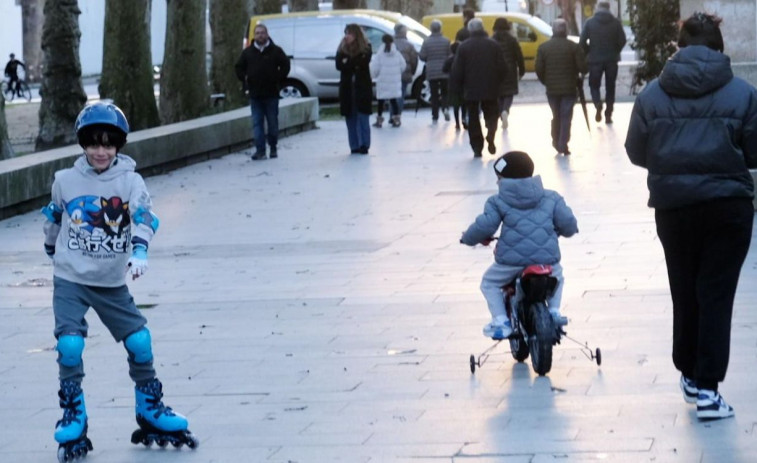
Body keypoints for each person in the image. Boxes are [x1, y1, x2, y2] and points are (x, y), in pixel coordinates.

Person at [40, 102, 198, 458]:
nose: (101, 151)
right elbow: (53, 219)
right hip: (71, 278)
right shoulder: (64, 181)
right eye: (94, 144)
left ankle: (150, 408)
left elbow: (145, 218)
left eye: (108, 144)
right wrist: (51, 249)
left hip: (111, 281)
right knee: (70, 345)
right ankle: (73, 414)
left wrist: (140, 251)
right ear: (83, 143)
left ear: (118, 145)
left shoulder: (130, 181)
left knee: (140, 341)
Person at [625, 12, 757, 421]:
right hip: (727, 208)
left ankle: (688, 371)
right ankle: (708, 389)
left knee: (683, 289)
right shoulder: (744, 94)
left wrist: (670, 164)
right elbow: (754, 153)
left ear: (678, 47)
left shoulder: (652, 96)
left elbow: (635, 151)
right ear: (720, 47)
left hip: (674, 207)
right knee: (715, 295)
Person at [460, 151, 578, 339]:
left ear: (504, 179)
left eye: (498, 178)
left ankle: (500, 320)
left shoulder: (497, 201)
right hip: (547, 260)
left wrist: (467, 238)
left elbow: (485, 226)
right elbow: (569, 224)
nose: (497, 182)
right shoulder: (552, 197)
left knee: (489, 283)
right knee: (557, 277)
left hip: (510, 262)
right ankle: (554, 311)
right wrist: (562, 231)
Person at [449, 18, 507, 158]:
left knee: (473, 117)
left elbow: (457, 70)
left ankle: (477, 146)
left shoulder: (464, 47)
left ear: (470, 30)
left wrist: (456, 88)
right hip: (491, 87)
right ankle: (491, 135)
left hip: (471, 89)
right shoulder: (494, 45)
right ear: (483, 28)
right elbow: (503, 67)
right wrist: (499, 82)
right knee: (492, 114)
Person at [235, 23, 291, 161]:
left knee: (272, 123)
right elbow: (238, 67)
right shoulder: (247, 53)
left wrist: (278, 78)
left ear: (267, 34)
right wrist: (245, 79)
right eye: (258, 33)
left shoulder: (276, 50)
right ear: (254, 36)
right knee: (257, 123)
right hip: (255, 94)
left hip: (271, 93)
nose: (260, 35)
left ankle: (273, 147)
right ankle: (260, 150)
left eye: (262, 33)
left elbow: (285, 65)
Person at [535, 19, 587, 156]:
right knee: (566, 116)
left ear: (553, 30)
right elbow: (583, 67)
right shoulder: (573, 47)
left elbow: (539, 69)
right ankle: (563, 142)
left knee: (556, 115)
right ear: (566, 31)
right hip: (569, 88)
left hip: (551, 89)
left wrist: (546, 81)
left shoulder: (543, 47)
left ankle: (555, 139)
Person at [579, 1, 626, 124]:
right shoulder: (616, 23)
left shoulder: (590, 22)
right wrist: (616, 50)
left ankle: (597, 104)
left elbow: (582, 41)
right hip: (611, 60)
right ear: (608, 8)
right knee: (611, 87)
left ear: (597, 8)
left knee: (594, 85)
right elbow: (623, 40)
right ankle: (608, 115)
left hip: (594, 60)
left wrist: (589, 51)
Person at [336, 24, 373, 155]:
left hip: (362, 88)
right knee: (350, 117)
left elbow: (362, 63)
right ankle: (354, 145)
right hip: (347, 89)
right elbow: (339, 65)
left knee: (363, 117)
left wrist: (349, 62)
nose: (347, 36)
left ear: (356, 35)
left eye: (349, 34)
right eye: (346, 33)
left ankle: (364, 144)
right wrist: (350, 63)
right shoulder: (341, 49)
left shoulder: (366, 48)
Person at [491, 17, 525, 130]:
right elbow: (519, 56)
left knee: (499, 93)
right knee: (509, 93)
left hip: (496, 70)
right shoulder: (512, 39)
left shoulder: (492, 39)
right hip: (510, 69)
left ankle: (501, 111)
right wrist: (522, 70)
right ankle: (505, 110)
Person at [419, 19, 452, 124]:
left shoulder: (426, 41)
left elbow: (422, 56)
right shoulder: (446, 41)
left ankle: (435, 115)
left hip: (432, 71)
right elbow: (450, 55)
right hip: (444, 70)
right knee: (445, 92)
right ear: (440, 28)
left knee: (434, 94)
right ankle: (445, 108)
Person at [370, 34, 405, 128]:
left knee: (380, 101)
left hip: (383, 81)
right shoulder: (397, 53)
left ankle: (379, 120)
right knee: (394, 100)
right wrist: (397, 73)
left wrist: (374, 76)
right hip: (394, 81)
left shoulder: (380, 54)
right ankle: (396, 120)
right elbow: (403, 66)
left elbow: (375, 68)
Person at [393, 23, 418, 114]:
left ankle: (393, 114)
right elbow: (414, 60)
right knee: (401, 94)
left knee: (393, 95)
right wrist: (412, 72)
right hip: (404, 73)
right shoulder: (409, 45)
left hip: (392, 74)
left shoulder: (390, 44)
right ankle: (397, 115)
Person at [443, 42, 465, 131]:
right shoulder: (464, 59)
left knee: (456, 105)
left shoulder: (449, 60)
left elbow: (444, 70)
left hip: (453, 84)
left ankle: (457, 123)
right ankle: (464, 118)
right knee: (464, 104)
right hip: (463, 84)